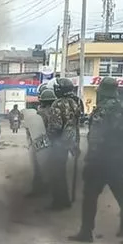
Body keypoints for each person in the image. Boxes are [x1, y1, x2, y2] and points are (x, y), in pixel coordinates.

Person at [69, 77, 123, 244]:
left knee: (90, 196)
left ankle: (86, 232)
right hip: (120, 160)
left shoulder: (102, 110)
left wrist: (90, 160)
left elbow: (96, 137)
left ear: (103, 92)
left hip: (100, 161)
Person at [42, 77, 81, 209]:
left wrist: (48, 139)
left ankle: (59, 202)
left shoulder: (57, 104)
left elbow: (55, 126)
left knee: (56, 174)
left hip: (58, 143)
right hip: (71, 141)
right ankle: (64, 200)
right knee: (61, 173)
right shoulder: (76, 102)